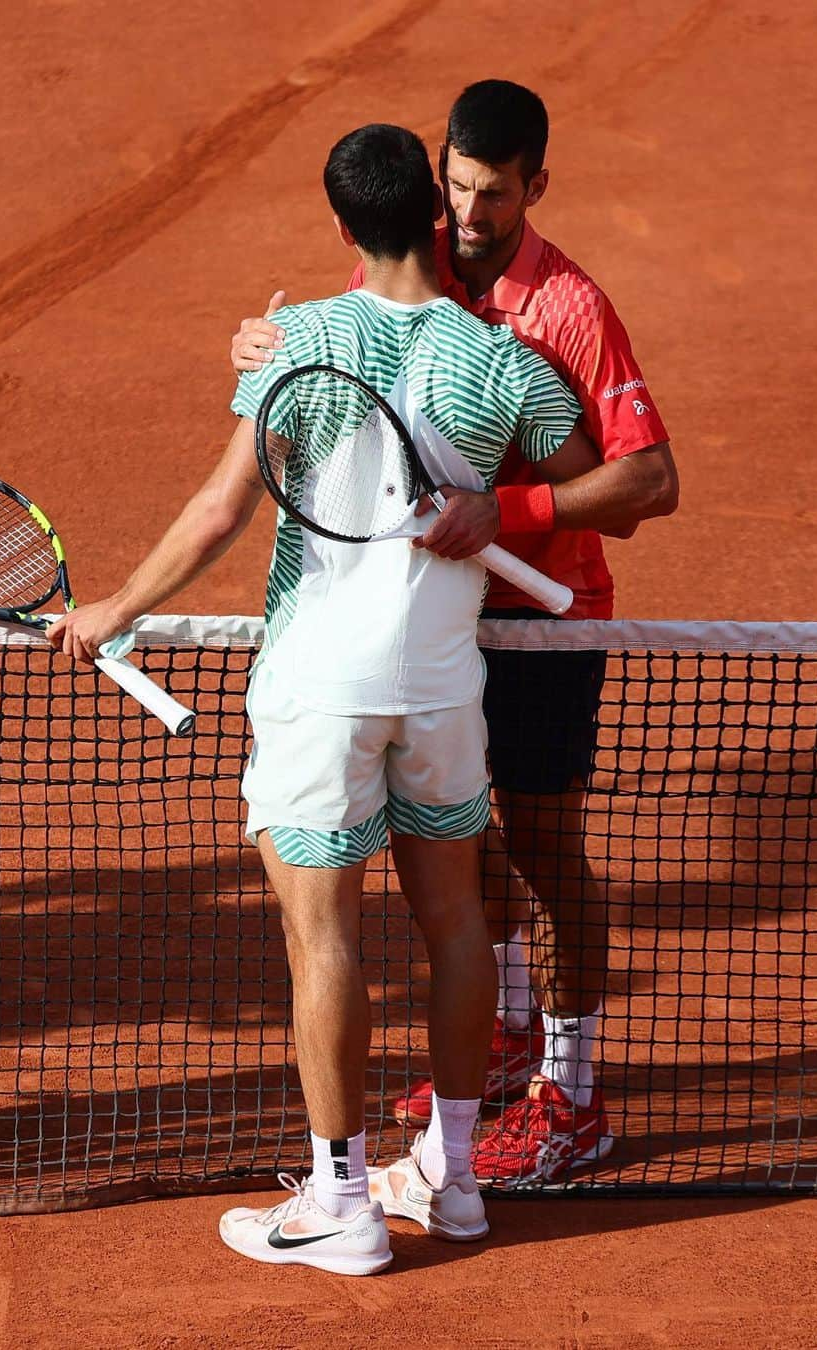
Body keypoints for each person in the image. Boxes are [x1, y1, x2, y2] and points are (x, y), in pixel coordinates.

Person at [50, 122, 606, 1272]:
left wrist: (117, 607)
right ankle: (454, 1187)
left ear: (345, 229)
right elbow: (604, 480)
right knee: (458, 925)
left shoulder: (296, 341)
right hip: (448, 690)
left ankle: (343, 1200)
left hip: (319, 692)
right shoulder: (505, 360)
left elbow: (219, 511)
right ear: (432, 219)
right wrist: (501, 508)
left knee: (325, 940)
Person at [230, 80, 680, 1188]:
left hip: (538, 620)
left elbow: (649, 483)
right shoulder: (412, 253)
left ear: (538, 183)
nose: (470, 214)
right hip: (437, 618)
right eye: (458, 186)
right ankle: (510, 1035)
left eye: (495, 193)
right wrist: (273, 346)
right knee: (461, 843)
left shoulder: (570, 306)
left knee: (540, 847)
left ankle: (574, 1098)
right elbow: (356, 361)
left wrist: (511, 509)